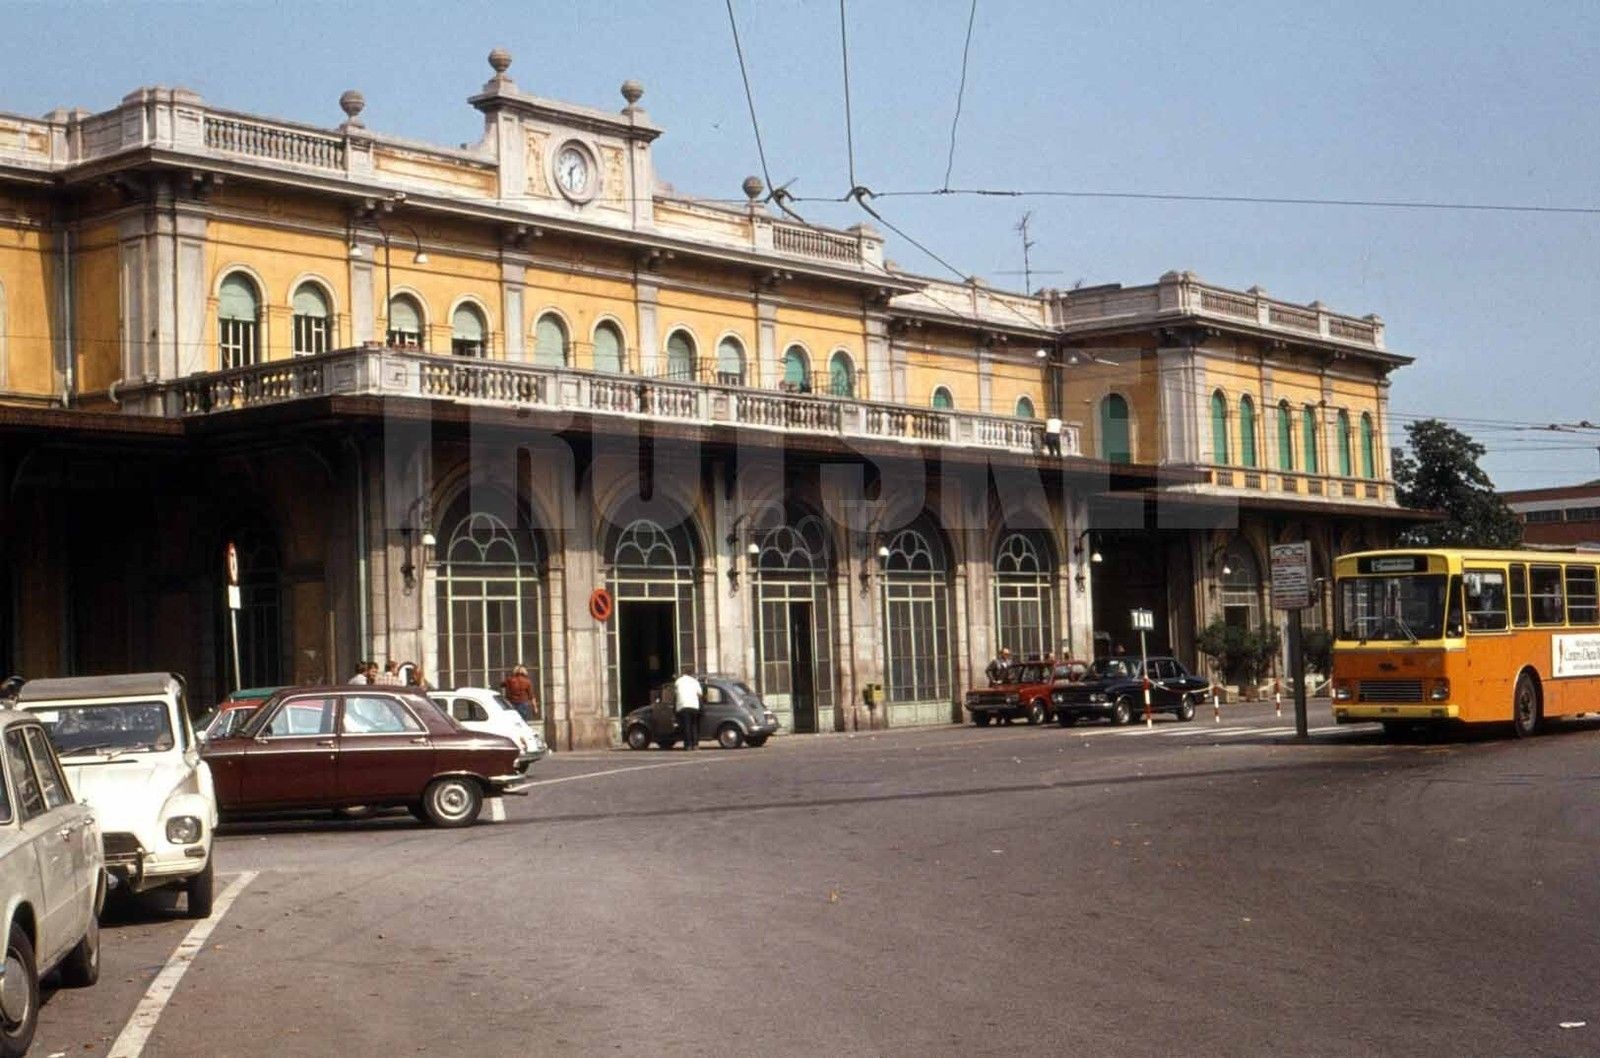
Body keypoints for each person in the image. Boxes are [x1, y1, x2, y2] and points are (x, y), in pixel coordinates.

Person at [672, 667, 703, 750]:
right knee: (694, 726)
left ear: (683, 673)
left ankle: (688, 745)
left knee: (686, 726)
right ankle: (695, 744)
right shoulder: (695, 681)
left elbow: (675, 694)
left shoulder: (678, 681)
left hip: (683, 706)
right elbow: (700, 694)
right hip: (694, 706)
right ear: (691, 674)